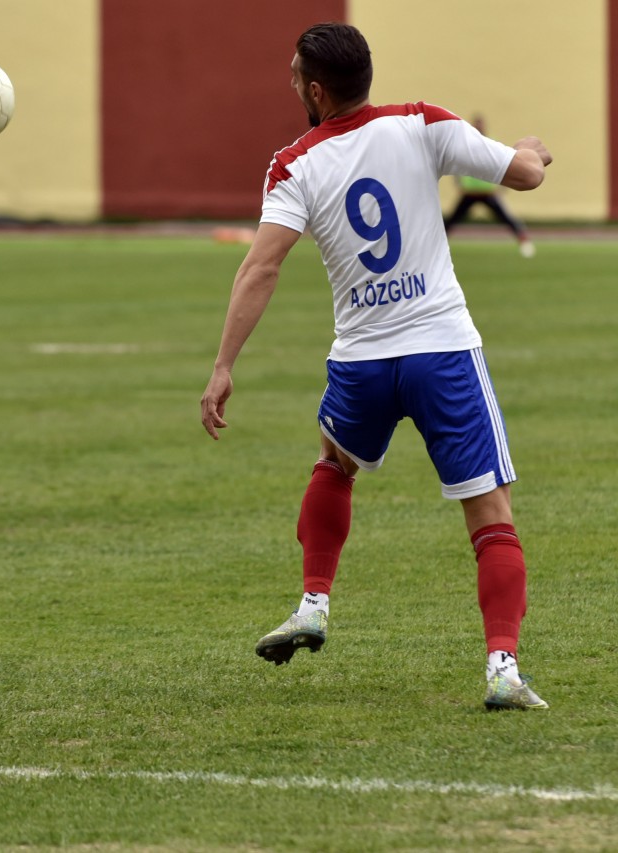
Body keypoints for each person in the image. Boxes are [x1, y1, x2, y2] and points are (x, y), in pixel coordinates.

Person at [199, 23, 552, 711]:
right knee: (490, 513)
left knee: (334, 460)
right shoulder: (422, 123)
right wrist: (534, 153)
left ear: (317, 89)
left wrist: (223, 365)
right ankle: (503, 668)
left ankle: (313, 601)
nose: (291, 81)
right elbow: (525, 174)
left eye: (296, 73)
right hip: (442, 350)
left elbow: (262, 265)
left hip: (362, 360)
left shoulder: (293, 163)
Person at [444, 115, 536, 258]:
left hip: (487, 192)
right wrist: (459, 183)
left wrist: (504, 183)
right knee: (451, 221)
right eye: (476, 124)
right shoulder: (466, 142)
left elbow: (502, 162)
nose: (478, 127)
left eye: (480, 124)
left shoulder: (490, 142)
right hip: (469, 192)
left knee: (507, 218)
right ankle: (440, 246)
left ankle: (524, 242)